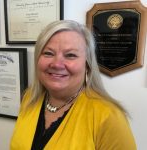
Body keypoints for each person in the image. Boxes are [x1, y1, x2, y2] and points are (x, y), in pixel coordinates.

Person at [10, 20, 137, 150]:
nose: (56, 64)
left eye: (70, 55)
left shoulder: (109, 116)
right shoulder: (29, 98)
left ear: (87, 65)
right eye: (48, 53)